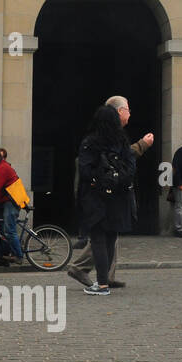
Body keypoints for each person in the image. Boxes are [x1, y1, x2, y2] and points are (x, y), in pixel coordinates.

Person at [67, 95, 153, 288]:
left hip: (106, 194)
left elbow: (94, 167)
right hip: (107, 195)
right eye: (128, 109)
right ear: (118, 112)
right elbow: (122, 163)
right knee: (102, 238)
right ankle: (98, 277)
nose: (130, 113)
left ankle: (105, 278)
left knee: (106, 237)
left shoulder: (102, 139)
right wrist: (142, 145)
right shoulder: (109, 140)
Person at [75, 104, 138, 295]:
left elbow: (85, 170)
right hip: (118, 196)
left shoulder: (90, 142)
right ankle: (105, 281)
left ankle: (101, 284)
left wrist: (99, 182)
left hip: (96, 196)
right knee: (110, 238)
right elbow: (131, 168)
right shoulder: (122, 142)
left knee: (98, 239)